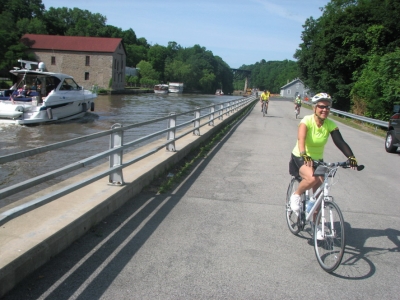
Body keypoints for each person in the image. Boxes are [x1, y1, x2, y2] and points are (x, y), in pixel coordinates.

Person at [289, 93, 358, 235]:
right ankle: (296, 195)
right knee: (311, 178)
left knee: (319, 194)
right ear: (315, 108)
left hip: (317, 160)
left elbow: (340, 141)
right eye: (321, 106)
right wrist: (304, 154)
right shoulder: (306, 121)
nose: (324, 109)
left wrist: (351, 157)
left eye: (327, 107)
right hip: (301, 156)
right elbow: (301, 138)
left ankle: (315, 224)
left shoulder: (330, 124)